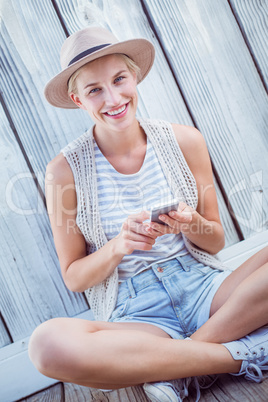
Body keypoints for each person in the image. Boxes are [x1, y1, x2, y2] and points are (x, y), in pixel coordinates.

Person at [28, 26, 268, 401]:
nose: (113, 98)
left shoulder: (185, 141)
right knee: (45, 345)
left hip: (205, 290)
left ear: (134, 76)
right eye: (94, 90)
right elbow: (75, 277)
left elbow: (216, 240)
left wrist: (191, 222)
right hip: (137, 315)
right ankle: (241, 353)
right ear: (78, 100)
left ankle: (175, 369)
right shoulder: (63, 171)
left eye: (119, 79)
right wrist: (118, 246)